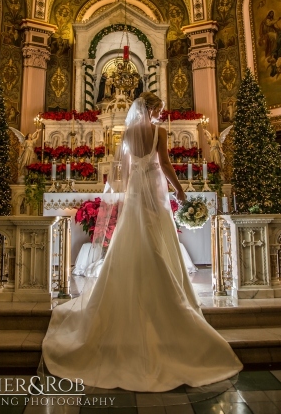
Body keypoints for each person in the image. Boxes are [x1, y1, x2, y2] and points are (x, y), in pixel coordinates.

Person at [41, 92, 242, 391]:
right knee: (156, 242)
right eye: (158, 109)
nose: (161, 114)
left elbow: (119, 169)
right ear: (149, 109)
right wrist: (181, 191)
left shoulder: (129, 133)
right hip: (155, 195)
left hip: (136, 194)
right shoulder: (158, 132)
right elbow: (165, 165)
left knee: (132, 240)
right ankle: (167, 297)